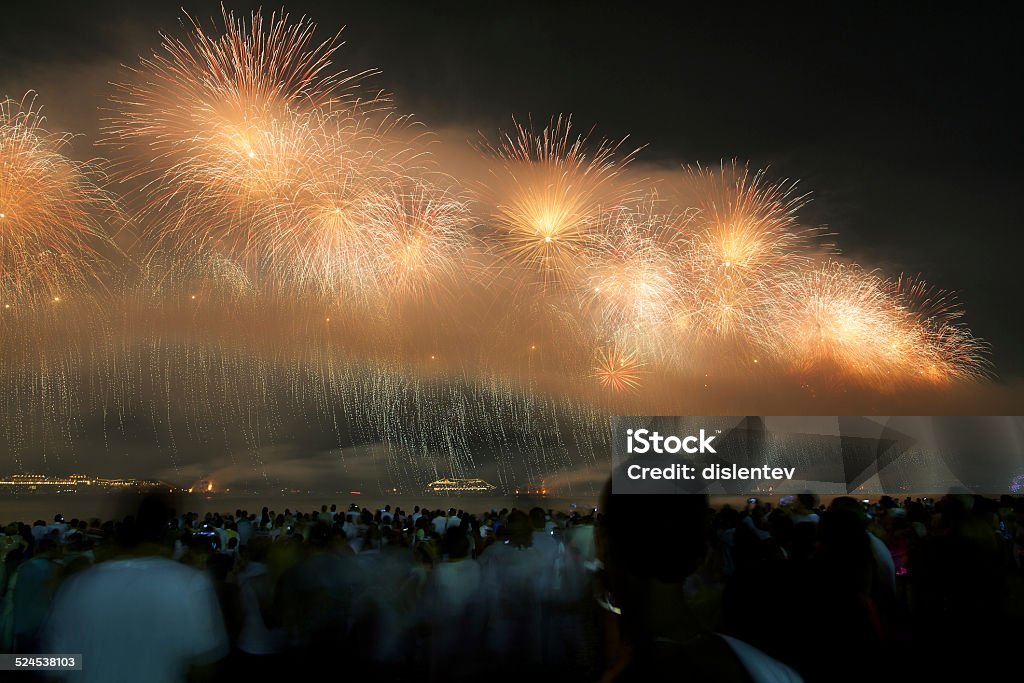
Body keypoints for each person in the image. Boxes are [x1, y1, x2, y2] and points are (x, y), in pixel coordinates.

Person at [44, 495, 228, 683]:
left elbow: (55, 665)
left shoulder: (77, 585)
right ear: (167, 532)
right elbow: (204, 664)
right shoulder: (189, 584)